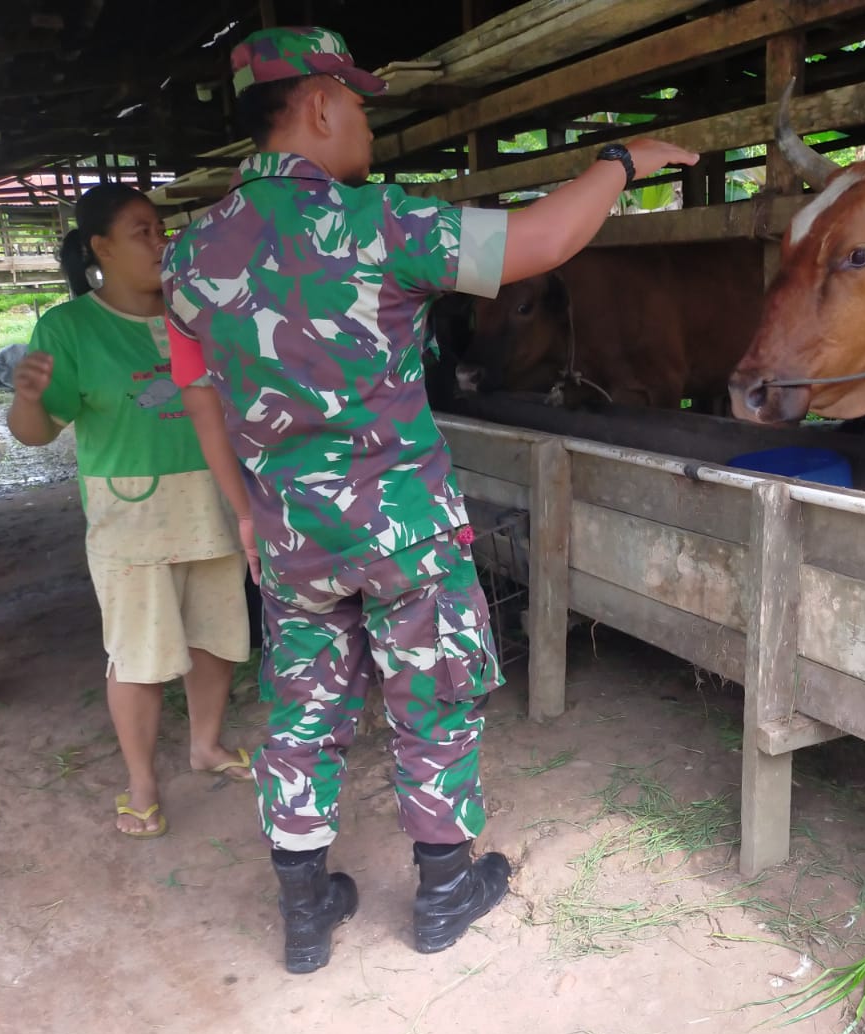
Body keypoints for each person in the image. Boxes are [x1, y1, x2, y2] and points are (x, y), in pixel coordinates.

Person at [162, 26, 697, 973]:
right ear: (320, 104)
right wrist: (618, 162)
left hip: (291, 538)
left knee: (301, 713)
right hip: (403, 529)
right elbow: (540, 241)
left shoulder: (191, 256)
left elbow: (199, 393)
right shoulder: (380, 222)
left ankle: (304, 913)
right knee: (432, 697)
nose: (367, 124)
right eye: (361, 104)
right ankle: (447, 892)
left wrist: (244, 509)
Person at [8, 184, 253, 840]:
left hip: (212, 498)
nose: (159, 241)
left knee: (216, 634)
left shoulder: (195, 310)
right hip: (133, 517)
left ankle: (205, 746)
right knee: (138, 654)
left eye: (161, 228)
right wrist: (26, 400)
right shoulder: (69, 328)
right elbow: (37, 432)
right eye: (142, 231)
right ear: (101, 248)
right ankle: (142, 783)